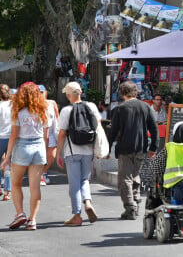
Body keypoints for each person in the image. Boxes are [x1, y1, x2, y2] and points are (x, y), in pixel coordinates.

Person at [0, 82, 51, 230]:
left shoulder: (19, 112)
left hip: (22, 147)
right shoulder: (43, 111)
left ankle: (20, 213)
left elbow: (14, 136)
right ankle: (32, 220)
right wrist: (46, 153)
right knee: (35, 187)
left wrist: (7, 156)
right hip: (39, 147)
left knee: (16, 183)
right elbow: (46, 136)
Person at [108, 81, 158, 220]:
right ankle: (135, 203)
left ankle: (130, 207)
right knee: (135, 176)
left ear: (122, 93)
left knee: (125, 178)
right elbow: (154, 128)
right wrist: (153, 146)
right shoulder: (145, 107)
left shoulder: (120, 109)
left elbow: (113, 131)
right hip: (141, 148)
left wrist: (107, 149)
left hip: (125, 148)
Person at [55, 82, 100, 226]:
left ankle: (76, 215)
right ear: (80, 93)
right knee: (84, 180)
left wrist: (58, 153)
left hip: (72, 151)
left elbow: (62, 133)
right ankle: (87, 202)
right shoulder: (91, 106)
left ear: (68, 95)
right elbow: (97, 125)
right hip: (88, 150)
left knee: (74, 184)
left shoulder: (66, 110)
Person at [38, 85, 59, 186]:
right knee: (41, 155)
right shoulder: (34, 104)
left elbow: (57, 117)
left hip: (51, 132)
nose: (40, 94)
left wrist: (59, 130)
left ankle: (44, 172)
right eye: (38, 92)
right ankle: (40, 176)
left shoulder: (52, 103)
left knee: (52, 155)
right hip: (38, 133)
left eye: (42, 92)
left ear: (45, 92)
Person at [0, 84, 12, 201]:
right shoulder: (14, 106)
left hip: (0, 137)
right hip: (11, 138)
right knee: (9, 165)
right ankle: (7, 192)